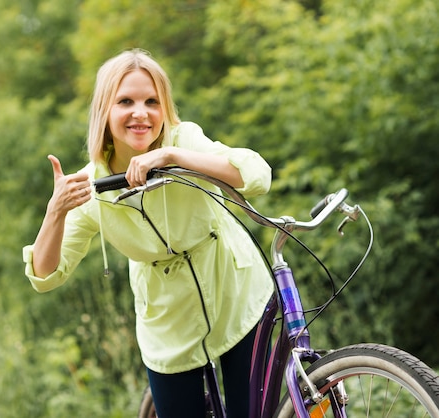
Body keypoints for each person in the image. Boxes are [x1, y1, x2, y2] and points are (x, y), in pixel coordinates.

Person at [23, 48, 273, 417]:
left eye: (151, 101)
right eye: (126, 101)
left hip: (237, 295)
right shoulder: (91, 187)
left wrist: (172, 157)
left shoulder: (183, 141)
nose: (141, 113)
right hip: (168, 323)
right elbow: (45, 276)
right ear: (104, 112)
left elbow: (257, 175)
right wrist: (55, 210)